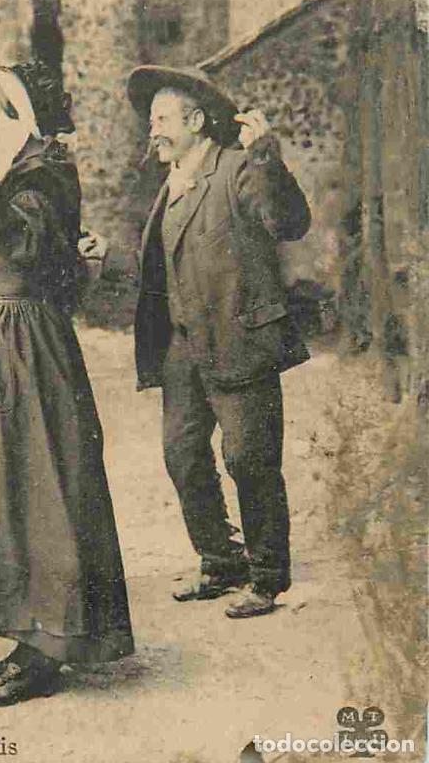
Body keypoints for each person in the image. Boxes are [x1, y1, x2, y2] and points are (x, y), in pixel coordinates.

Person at [0, 61, 134, 709]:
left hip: (23, 352)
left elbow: (26, 250)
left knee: (36, 490)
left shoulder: (44, 174)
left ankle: (46, 645)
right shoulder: (14, 176)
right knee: (0, 492)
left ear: (20, 119)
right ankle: (26, 631)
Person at [126, 66, 311, 619]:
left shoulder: (236, 169)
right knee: (182, 453)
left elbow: (289, 222)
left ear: (197, 122)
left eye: (161, 120)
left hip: (238, 336)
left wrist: (267, 159)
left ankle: (266, 577)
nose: (152, 130)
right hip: (184, 346)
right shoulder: (173, 182)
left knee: (249, 458)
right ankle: (219, 559)